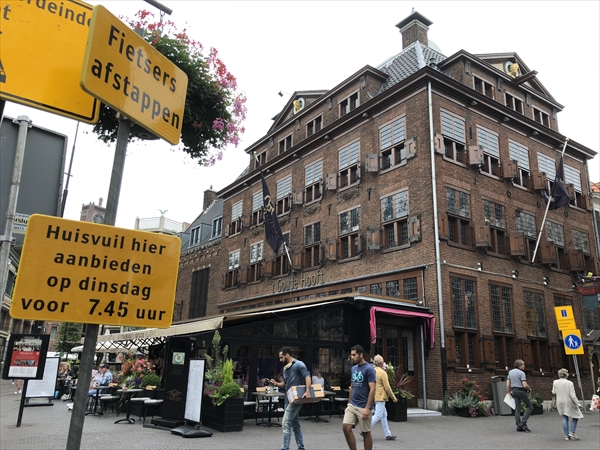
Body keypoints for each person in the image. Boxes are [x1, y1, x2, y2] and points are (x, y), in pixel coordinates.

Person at [268, 347, 311, 450]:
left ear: (287, 355)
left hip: (296, 399)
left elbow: (307, 376)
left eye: (281, 357)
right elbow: (285, 384)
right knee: (296, 425)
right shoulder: (286, 368)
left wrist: (308, 391)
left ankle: (285, 448)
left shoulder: (299, 364)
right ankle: (301, 448)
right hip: (288, 399)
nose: (280, 360)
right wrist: (276, 384)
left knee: (285, 422)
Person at [342, 345, 376, 450]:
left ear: (361, 355)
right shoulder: (353, 369)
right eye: (351, 355)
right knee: (346, 428)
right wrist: (349, 403)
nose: (352, 357)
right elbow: (352, 386)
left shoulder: (369, 369)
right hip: (353, 405)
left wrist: (367, 408)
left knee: (365, 433)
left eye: (354, 355)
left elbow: (373, 389)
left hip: (364, 406)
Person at [370, 355, 397, 441]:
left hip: (374, 395)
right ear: (381, 363)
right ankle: (365, 429)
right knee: (378, 415)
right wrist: (393, 397)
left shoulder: (372, 371)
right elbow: (387, 387)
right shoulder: (382, 373)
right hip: (381, 396)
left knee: (384, 415)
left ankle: (388, 434)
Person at [552, 368, 583, 440]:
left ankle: (566, 435)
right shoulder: (569, 383)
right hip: (569, 401)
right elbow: (572, 395)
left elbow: (554, 392)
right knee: (577, 415)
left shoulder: (555, 382)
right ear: (566, 375)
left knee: (564, 417)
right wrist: (578, 404)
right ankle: (572, 431)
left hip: (559, 401)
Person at [506, 359, 533, 432]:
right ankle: (524, 423)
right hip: (521, 391)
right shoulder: (521, 373)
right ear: (520, 365)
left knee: (517, 408)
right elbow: (524, 385)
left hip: (514, 391)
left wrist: (508, 392)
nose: (524, 366)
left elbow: (508, 383)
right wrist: (529, 388)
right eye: (523, 365)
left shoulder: (510, 372)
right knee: (530, 406)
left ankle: (519, 425)